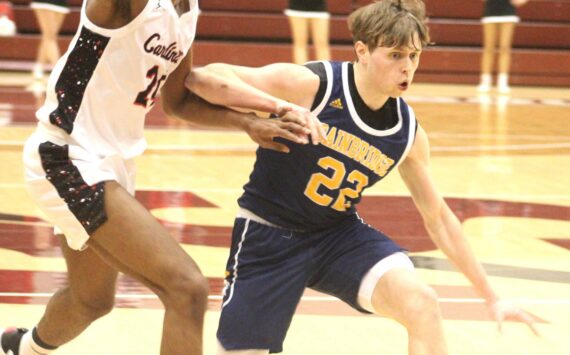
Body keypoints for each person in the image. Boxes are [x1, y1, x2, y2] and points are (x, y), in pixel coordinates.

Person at [186, 0, 539, 354]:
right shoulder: (313, 86)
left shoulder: (407, 133)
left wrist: (492, 298)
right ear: (362, 51)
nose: (407, 68)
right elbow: (204, 77)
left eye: (414, 57)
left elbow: (440, 220)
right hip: (269, 233)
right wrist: (278, 106)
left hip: (336, 236)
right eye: (396, 55)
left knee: (422, 304)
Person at [0, 0, 322, 354]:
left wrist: (248, 122)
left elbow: (178, 100)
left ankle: (23, 348)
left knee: (91, 300)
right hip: (67, 154)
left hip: (113, 164)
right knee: (187, 288)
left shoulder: (187, 12)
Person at [478, 0, 529, 94]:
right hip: (490, 10)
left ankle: (503, 82)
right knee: (488, 48)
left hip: (508, 11)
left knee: (505, 48)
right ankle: (485, 81)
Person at [30, 0, 70, 82]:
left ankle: (39, 67)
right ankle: (58, 71)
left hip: (61, 3)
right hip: (45, 2)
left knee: (49, 37)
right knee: (50, 37)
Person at [285, 0, 331, 64]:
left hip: (319, 8)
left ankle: (325, 72)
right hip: (296, 8)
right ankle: (301, 72)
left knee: (322, 43)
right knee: (300, 44)